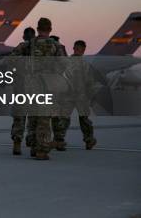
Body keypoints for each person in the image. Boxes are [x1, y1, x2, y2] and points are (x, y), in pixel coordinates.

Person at [10, 18, 66, 160]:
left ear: (38, 28)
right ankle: (41, 150)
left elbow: (12, 58)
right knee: (44, 119)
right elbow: (64, 65)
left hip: (31, 84)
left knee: (33, 117)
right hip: (48, 85)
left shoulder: (29, 44)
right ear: (50, 29)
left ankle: (34, 147)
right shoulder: (56, 45)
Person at [51, 40, 97, 150]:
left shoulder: (67, 62)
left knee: (64, 118)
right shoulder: (86, 65)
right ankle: (89, 140)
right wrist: (91, 96)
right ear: (83, 50)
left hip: (69, 95)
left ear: (74, 48)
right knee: (84, 119)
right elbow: (90, 83)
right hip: (81, 96)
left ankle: (59, 141)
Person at [10, 27, 36, 155]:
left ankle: (17, 143)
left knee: (19, 116)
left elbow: (11, 62)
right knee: (34, 116)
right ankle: (32, 141)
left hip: (21, 86)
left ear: (24, 36)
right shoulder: (40, 48)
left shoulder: (20, 47)